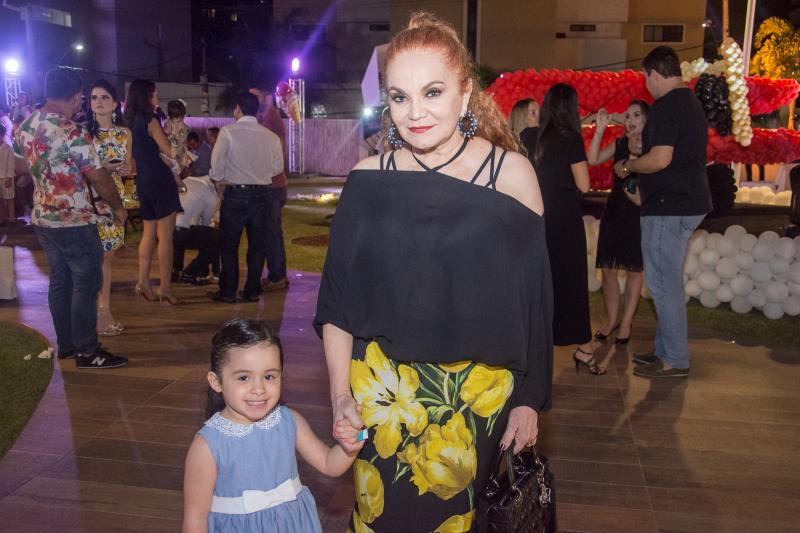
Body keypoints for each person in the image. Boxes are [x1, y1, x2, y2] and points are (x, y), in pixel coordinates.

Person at [314, 12, 552, 532]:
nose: (415, 112)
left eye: (433, 92)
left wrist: (529, 401)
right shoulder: (366, 182)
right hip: (382, 397)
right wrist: (340, 395)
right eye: (399, 97)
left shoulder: (511, 176)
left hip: (476, 399)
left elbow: (535, 302)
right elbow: (336, 306)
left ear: (465, 95)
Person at [182, 318, 362, 533]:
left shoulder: (288, 421)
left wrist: (350, 445)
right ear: (216, 382)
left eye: (269, 376)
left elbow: (329, 464)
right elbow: (195, 519)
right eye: (243, 378)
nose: (259, 389)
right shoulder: (208, 445)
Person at [15, 67, 128, 369]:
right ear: (77, 97)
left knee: (60, 280)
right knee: (87, 281)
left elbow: (23, 164)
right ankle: (88, 351)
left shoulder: (26, 125)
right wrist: (118, 207)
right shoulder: (71, 131)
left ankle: (67, 344)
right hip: (73, 218)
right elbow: (98, 176)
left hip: (43, 217)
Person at [614, 46, 712, 379]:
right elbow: (669, 150)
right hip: (685, 202)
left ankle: (674, 359)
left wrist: (628, 166)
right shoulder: (689, 102)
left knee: (663, 285)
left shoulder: (668, 105)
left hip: (668, 205)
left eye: (645, 77)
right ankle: (665, 350)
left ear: (654, 74)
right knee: (667, 282)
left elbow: (660, 159)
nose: (646, 84)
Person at [534, 83, 603, 375]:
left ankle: (538, 343)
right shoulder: (570, 138)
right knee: (571, 281)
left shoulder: (532, 137)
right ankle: (583, 347)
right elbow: (584, 184)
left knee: (541, 281)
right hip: (564, 218)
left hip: (537, 216)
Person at [208, 92, 284, 303]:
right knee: (257, 246)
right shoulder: (270, 136)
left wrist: (220, 179)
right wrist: (260, 174)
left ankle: (228, 291)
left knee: (229, 245)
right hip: (263, 194)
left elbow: (216, 166)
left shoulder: (228, 132)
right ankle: (252, 290)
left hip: (236, 194)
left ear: (238, 109)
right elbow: (278, 167)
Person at [587, 102, 648, 344]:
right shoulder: (620, 144)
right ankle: (612, 320)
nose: (630, 119)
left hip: (639, 215)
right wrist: (600, 130)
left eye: (636, 115)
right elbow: (593, 159)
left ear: (647, 119)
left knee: (634, 270)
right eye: (628, 115)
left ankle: (626, 323)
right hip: (614, 211)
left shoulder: (654, 148)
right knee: (608, 269)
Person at [124, 79, 182, 305]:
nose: (157, 97)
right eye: (154, 93)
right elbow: (169, 150)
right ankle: (164, 287)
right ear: (147, 95)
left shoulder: (129, 122)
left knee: (148, 233)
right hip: (160, 179)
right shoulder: (151, 120)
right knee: (165, 237)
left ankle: (143, 282)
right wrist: (173, 138)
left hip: (143, 180)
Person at [87, 80, 133, 336]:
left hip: (115, 196)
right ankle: (96, 312)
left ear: (115, 103)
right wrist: (102, 167)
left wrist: (125, 169)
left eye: (105, 97)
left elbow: (129, 166)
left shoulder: (125, 133)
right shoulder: (84, 132)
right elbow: (80, 168)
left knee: (108, 256)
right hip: (90, 197)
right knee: (93, 256)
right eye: (94, 97)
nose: (99, 102)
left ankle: (103, 310)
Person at [250, 85, 290, 292]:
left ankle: (278, 276)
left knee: (272, 233)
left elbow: (271, 154)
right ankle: (276, 274)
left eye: (256, 96)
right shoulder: (267, 119)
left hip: (273, 186)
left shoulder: (271, 121)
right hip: (273, 184)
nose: (253, 101)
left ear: (266, 97)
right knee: (270, 233)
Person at [173, 172, 220, 284]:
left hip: (167, 228)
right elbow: (206, 223)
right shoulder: (211, 194)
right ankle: (191, 272)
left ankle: (176, 271)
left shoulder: (188, 179)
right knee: (220, 238)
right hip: (182, 231)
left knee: (181, 228)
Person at [0, 124, 15, 225]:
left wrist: (9, 177)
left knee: (9, 199)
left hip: (6, 176)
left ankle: (11, 218)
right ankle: (1, 218)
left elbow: (11, 163)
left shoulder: (8, 147)